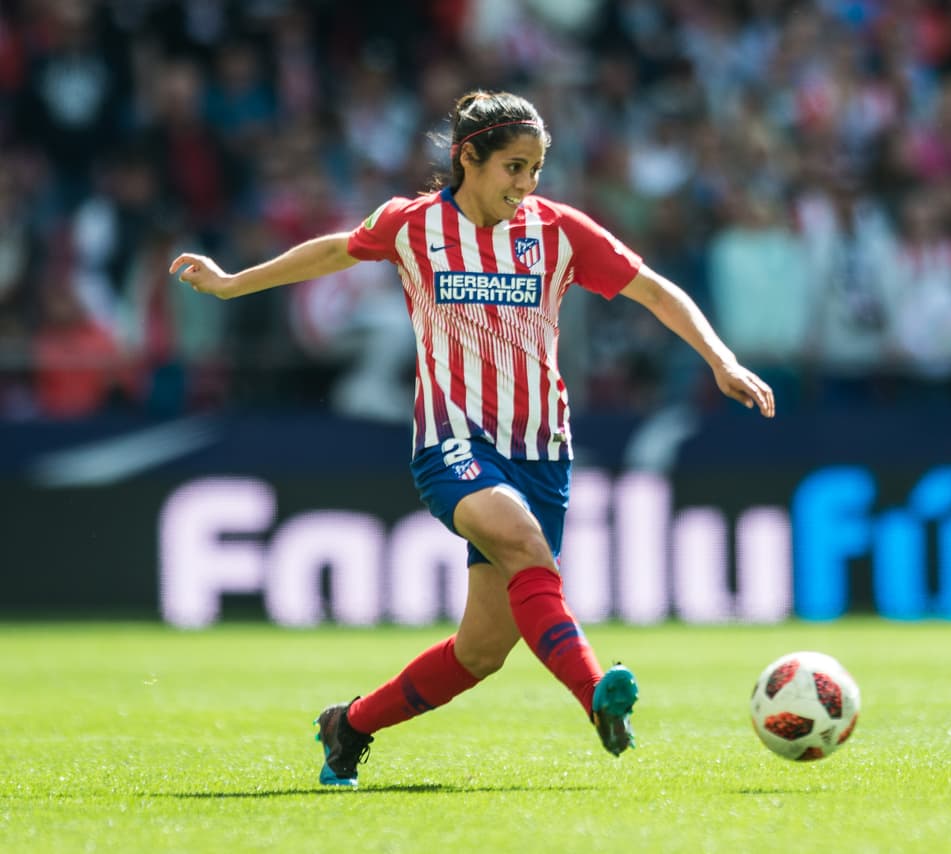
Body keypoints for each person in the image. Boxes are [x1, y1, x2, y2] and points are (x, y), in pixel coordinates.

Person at [168, 90, 776, 787]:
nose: (526, 185)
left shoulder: (559, 231)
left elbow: (657, 290)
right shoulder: (411, 225)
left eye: (537, 170)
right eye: (514, 167)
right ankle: (595, 698)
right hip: (452, 443)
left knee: (482, 651)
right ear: (468, 158)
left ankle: (350, 726)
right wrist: (234, 283)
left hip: (543, 451)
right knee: (522, 543)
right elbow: (336, 249)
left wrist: (722, 361)